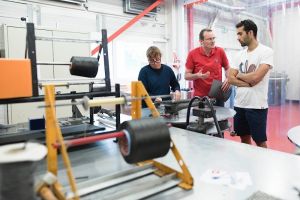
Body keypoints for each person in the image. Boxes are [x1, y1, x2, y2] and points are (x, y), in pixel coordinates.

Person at [228, 19, 274, 148]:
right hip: (239, 104)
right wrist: (248, 82)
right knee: (244, 138)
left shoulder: (266, 52)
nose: (238, 37)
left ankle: (263, 165)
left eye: (240, 34)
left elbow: (256, 77)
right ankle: (248, 165)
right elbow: (230, 79)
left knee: (260, 141)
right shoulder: (238, 55)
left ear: (250, 33)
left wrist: (239, 75)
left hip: (256, 106)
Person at [185, 28, 230, 106]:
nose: (213, 41)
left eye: (213, 38)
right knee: (201, 118)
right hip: (200, 98)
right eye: (209, 39)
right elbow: (186, 76)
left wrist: (228, 78)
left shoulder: (220, 51)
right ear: (201, 41)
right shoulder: (192, 54)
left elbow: (227, 68)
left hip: (217, 96)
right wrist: (196, 75)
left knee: (220, 118)